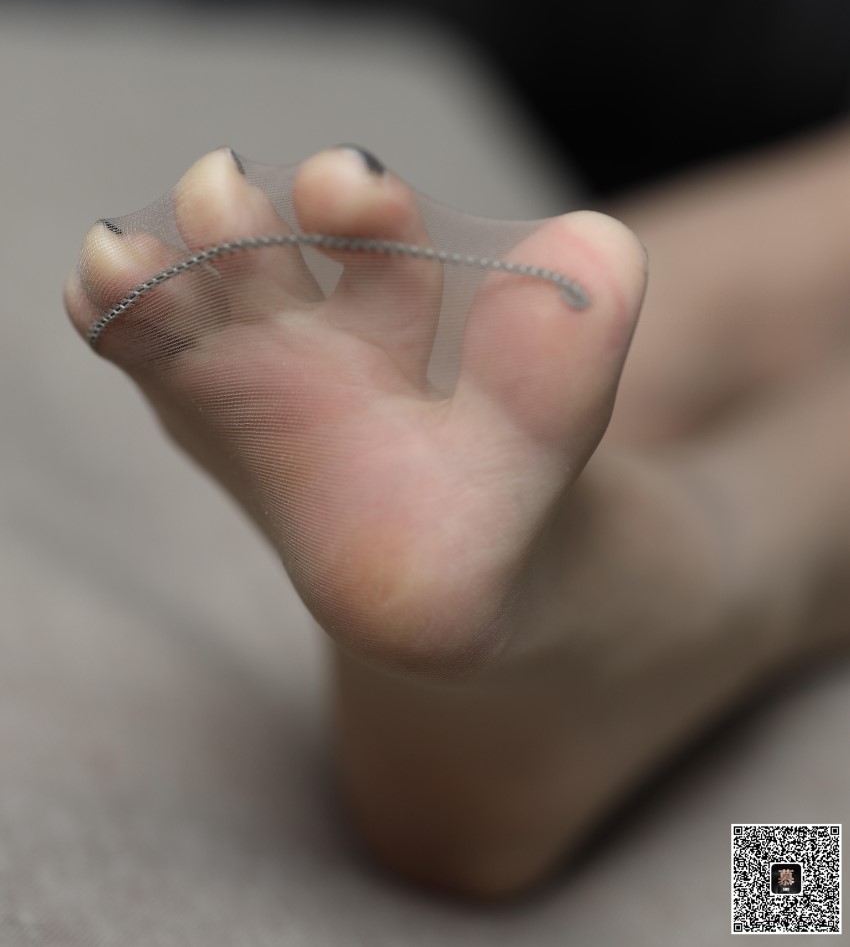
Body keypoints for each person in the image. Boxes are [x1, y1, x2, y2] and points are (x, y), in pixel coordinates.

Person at [63, 126, 850, 901]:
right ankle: (557, 504)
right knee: (613, 304)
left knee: (658, 316)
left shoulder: (793, 885)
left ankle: (650, 565)